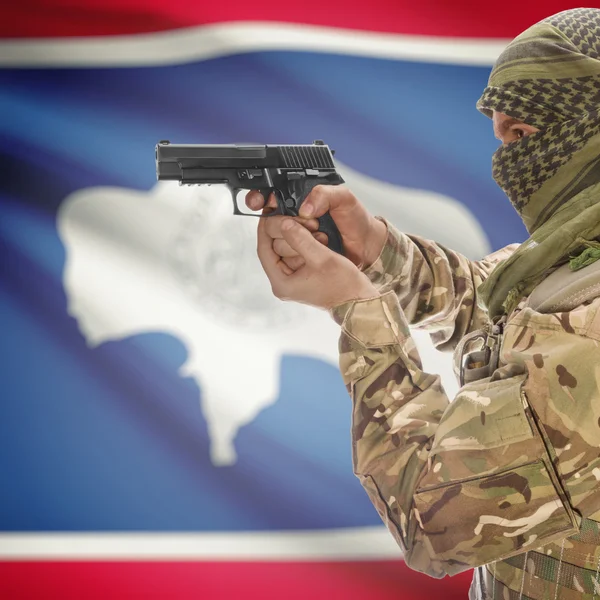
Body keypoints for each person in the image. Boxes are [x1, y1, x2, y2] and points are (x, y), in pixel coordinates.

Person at [246, 8, 600, 599]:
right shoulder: (576, 257)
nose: (506, 162)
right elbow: (498, 306)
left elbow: (435, 523)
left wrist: (357, 309)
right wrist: (377, 249)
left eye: (522, 135)